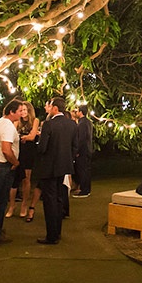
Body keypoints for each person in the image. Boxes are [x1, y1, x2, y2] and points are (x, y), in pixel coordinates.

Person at [34, 97, 79, 244]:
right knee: (59, 199)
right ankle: (57, 232)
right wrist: (68, 159)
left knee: (50, 201)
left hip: (49, 167)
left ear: (55, 108)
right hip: (64, 166)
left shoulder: (49, 124)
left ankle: (51, 235)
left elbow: (42, 148)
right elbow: (75, 146)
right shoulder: (72, 124)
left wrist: (38, 143)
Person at [0, 100, 23, 245]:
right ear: (12, 112)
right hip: (1, 166)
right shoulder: (8, 126)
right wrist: (15, 162)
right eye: (19, 111)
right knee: (0, 202)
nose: (21, 114)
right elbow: (6, 149)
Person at [8, 101, 40, 218]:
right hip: (18, 150)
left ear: (29, 110)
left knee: (26, 178)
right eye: (21, 110)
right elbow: (13, 135)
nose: (23, 112)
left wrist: (25, 137)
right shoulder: (17, 121)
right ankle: (12, 205)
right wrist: (25, 137)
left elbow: (32, 136)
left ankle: (24, 205)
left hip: (29, 152)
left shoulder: (35, 120)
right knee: (14, 179)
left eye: (25, 110)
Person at [73, 104, 94, 198]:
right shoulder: (88, 122)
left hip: (83, 151)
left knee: (82, 170)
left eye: (77, 111)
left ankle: (84, 190)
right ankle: (86, 189)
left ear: (80, 112)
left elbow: (81, 139)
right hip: (88, 149)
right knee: (86, 170)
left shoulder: (82, 123)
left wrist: (77, 151)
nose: (76, 113)